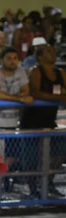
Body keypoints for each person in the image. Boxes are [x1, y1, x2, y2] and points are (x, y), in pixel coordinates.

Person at [20, 43, 66, 197]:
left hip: (49, 120)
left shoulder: (60, 73)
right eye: (48, 51)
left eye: (52, 50)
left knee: (60, 152)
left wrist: (57, 97)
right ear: (39, 56)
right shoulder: (35, 71)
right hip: (32, 120)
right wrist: (60, 97)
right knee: (32, 158)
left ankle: (48, 183)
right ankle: (33, 189)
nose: (52, 53)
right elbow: (36, 93)